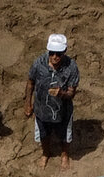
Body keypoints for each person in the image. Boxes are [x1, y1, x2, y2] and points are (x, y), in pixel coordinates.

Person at [23, 34, 80, 170]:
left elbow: (72, 92)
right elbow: (30, 83)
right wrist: (27, 103)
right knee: (43, 133)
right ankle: (46, 153)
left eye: (58, 54)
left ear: (64, 52)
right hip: (41, 108)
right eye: (52, 53)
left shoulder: (71, 67)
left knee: (65, 135)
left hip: (63, 111)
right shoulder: (38, 63)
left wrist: (61, 94)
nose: (55, 57)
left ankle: (64, 155)